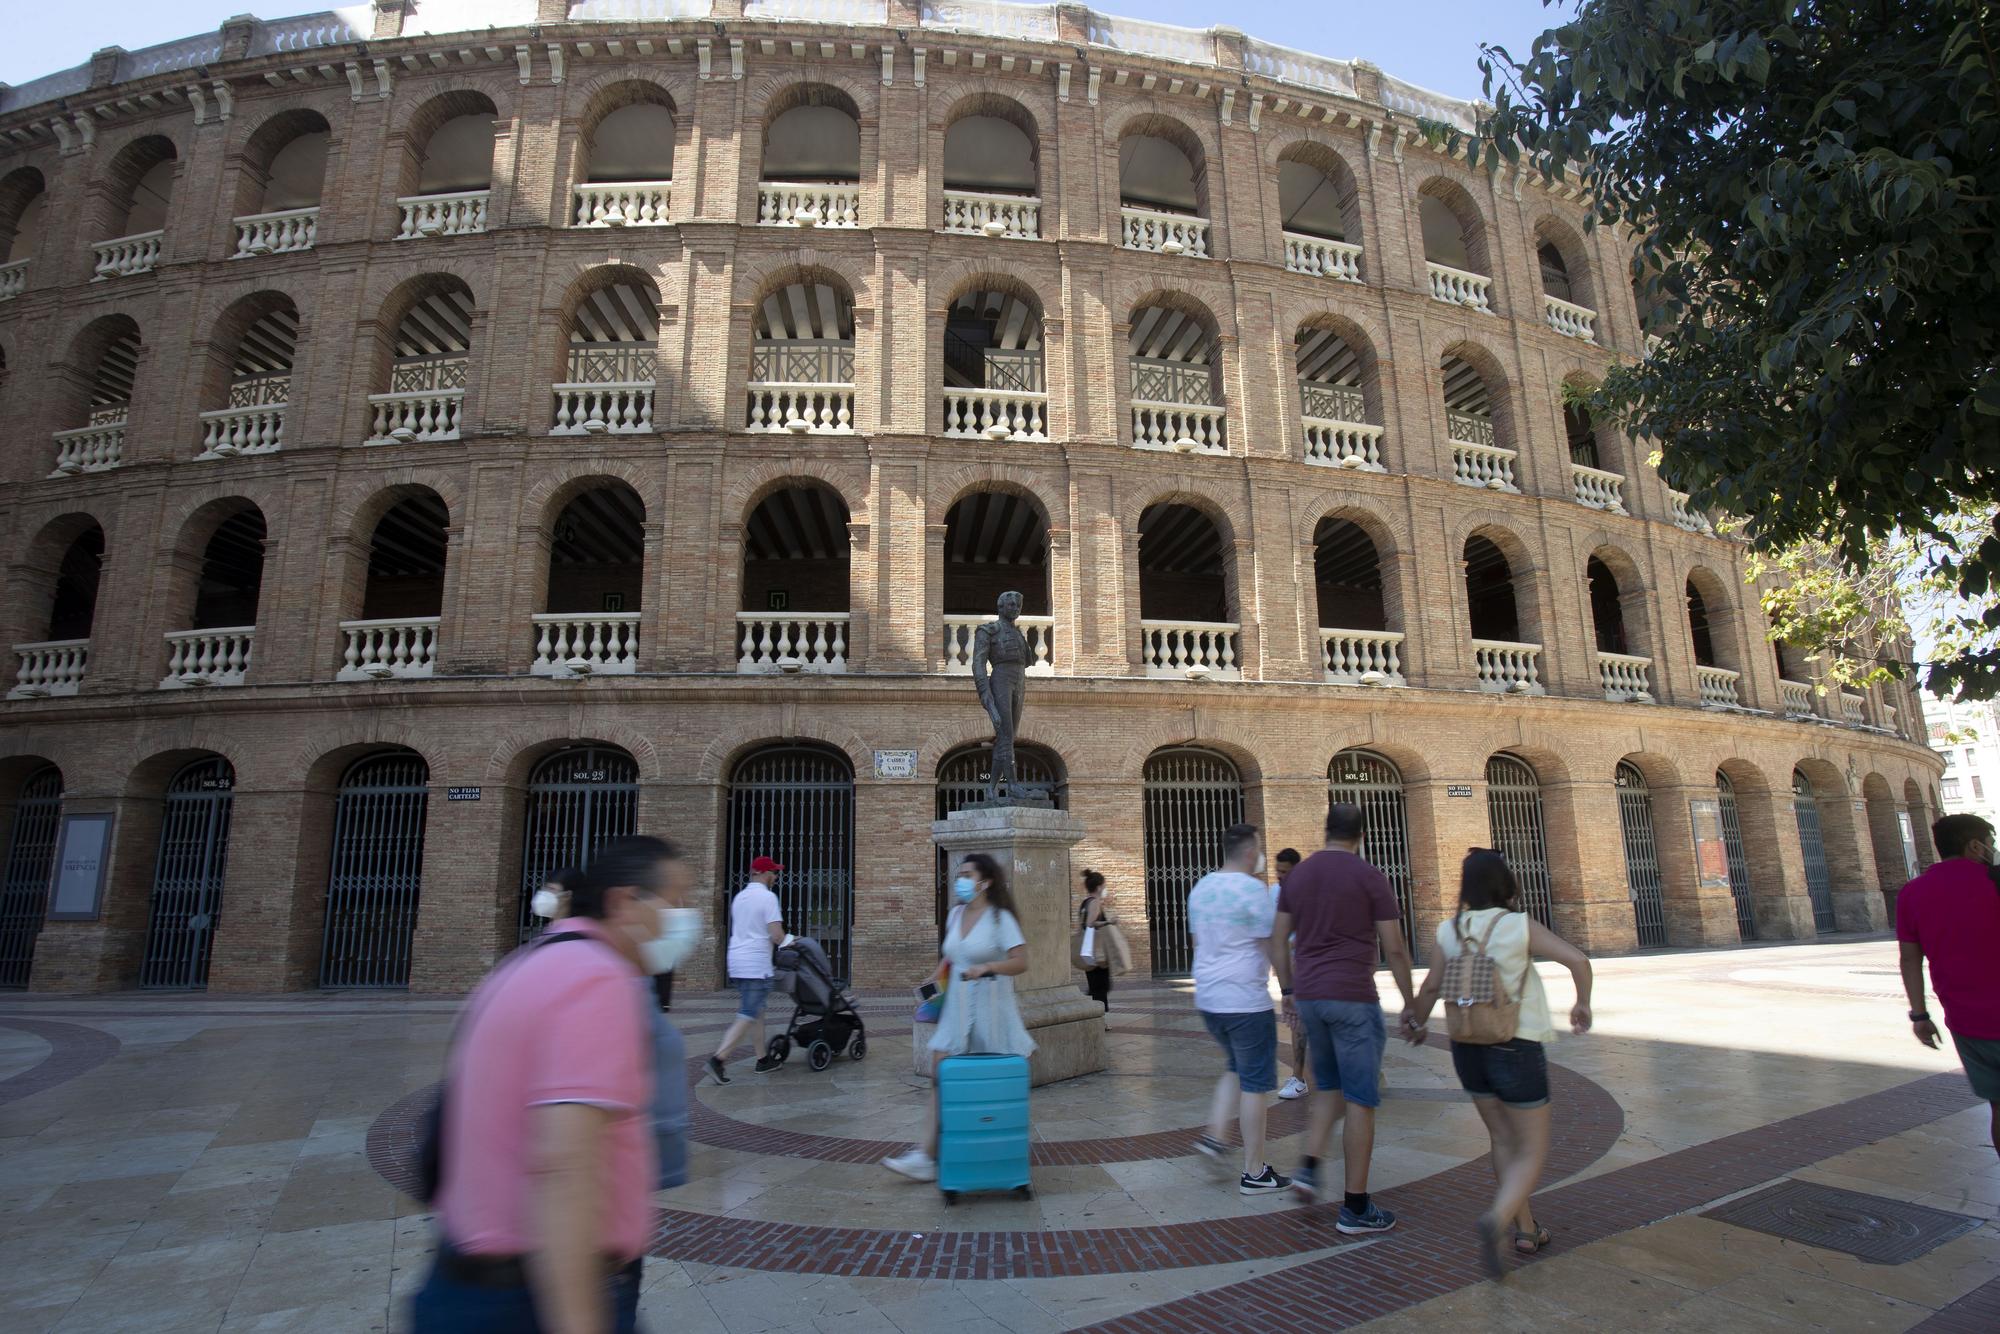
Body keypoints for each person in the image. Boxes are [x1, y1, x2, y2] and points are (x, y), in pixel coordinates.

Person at [411, 836, 689, 1333]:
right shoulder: (596, 980)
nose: (686, 918)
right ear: (624, 902)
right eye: (676, 901)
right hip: (526, 1299)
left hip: (464, 1275)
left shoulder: (530, 961)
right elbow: (563, 1167)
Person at [1404, 849, 1594, 1275]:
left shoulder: (1449, 929)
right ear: (1505, 882)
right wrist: (1582, 1003)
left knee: (1501, 1139)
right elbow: (1577, 960)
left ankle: (1526, 1230)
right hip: (1515, 1045)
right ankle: (1497, 1219)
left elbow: (1432, 986)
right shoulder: (1517, 925)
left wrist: (1414, 1020)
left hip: (1467, 1047)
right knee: (1532, 1148)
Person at [1272, 802, 1415, 1233]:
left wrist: (1289, 991)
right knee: (1361, 1100)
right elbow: (1395, 947)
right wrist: (1411, 1002)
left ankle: (1309, 1166)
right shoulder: (1370, 876)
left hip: (1312, 997)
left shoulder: (1299, 876)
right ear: (1361, 836)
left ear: (1326, 831)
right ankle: (1355, 1207)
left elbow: (1278, 940)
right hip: (1353, 997)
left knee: (1328, 1089)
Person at [882, 852, 1036, 1181]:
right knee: (940, 1076)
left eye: (967, 874)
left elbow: (1021, 961)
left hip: (991, 1008)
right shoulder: (955, 914)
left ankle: (998, 1146)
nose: (961, 879)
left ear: (986, 881)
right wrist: (931, 982)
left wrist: (989, 967)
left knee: (992, 1083)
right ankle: (926, 1155)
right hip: (957, 1008)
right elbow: (950, 959)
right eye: (960, 873)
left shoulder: (1000, 919)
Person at [1188, 823, 1292, 1194]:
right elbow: (1271, 945)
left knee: (1235, 1066)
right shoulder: (1252, 890)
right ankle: (1255, 1171)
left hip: (1210, 998)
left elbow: (1199, 941)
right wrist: (1288, 989)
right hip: (1246, 1000)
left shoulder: (1201, 888)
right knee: (1256, 1084)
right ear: (1251, 853)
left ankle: (1215, 1137)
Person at [1897, 814, 2000, 1161]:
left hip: (1967, 1022)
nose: (1993, 849)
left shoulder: (1912, 892)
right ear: (1975, 845)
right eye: (1991, 842)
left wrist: (1919, 1015)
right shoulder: (1995, 880)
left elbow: (1910, 960)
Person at [707, 855, 792, 1084]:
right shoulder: (767, 898)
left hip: (736, 960)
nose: (775, 876)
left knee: (757, 1011)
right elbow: (775, 934)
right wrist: (790, 942)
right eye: (774, 872)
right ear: (764, 874)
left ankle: (762, 1059)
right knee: (748, 1013)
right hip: (756, 964)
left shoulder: (740, 897)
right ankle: (719, 1058)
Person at [1270, 848, 1309, 1101]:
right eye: (1278, 872)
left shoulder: (1310, 890)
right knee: (1298, 1023)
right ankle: (1298, 1077)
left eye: (1285, 872)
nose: (1280, 876)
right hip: (1294, 968)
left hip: (1312, 964)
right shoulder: (1275, 892)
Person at [1079, 868, 1114, 1011]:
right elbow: (1090, 924)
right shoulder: (1094, 903)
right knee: (1101, 986)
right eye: (1104, 885)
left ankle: (1097, 1016)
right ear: (1099, 887)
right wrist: (1108, 922)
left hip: (1089, 950)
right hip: (1097, 951)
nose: (1105, 888)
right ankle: (1098, 1017)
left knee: (1096, 985)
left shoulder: (1085, 902)